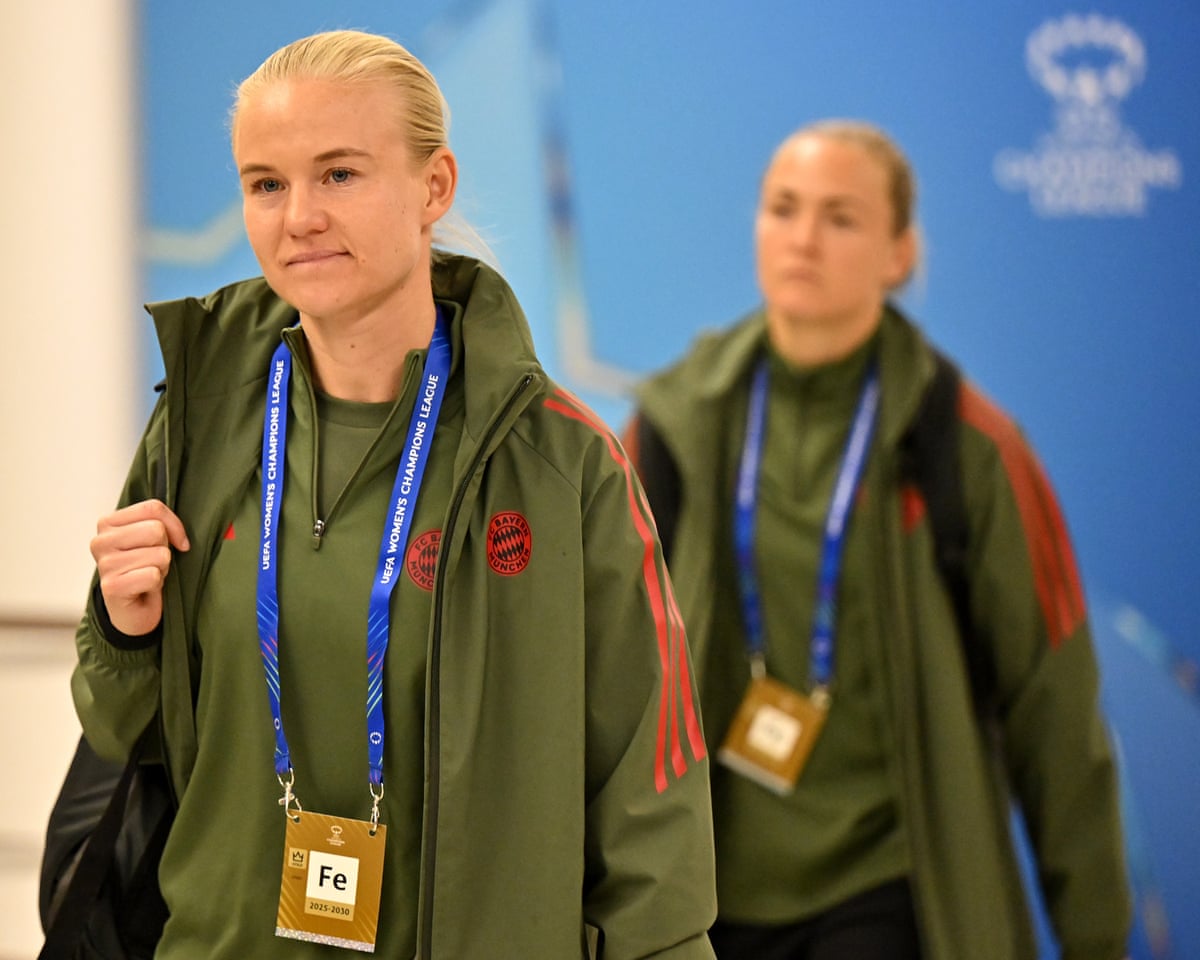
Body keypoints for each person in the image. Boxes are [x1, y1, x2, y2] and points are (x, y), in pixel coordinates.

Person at [71, 29, 716, 959]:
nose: (300, 217)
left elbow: (647, 799)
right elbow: (120, 730)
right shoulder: (198, 425)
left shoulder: (560, 461)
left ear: (434, 187)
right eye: (266, 183)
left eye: (339, 174)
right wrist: (123, 632)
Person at [624, 120, 1132, 960]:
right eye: (783, 208)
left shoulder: (966, 446)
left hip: (889, 884)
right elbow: (594, 677)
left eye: (841, 217)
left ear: (899, 254)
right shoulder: (674, 427)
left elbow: (1057, 714)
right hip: (705, 890)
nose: (804, 238)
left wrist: (1096, 937)